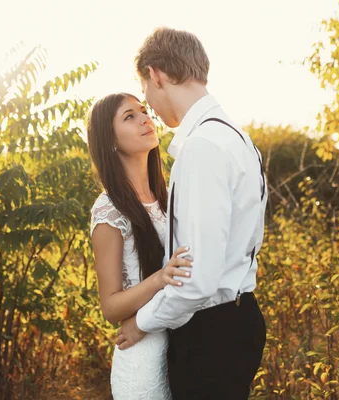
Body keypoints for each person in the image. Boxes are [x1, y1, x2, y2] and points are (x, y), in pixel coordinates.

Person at [116, 27, 268, 399]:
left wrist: (142, 324)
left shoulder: (202, 148)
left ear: (156, 75)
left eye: (146, 91)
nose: (149, 104)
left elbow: (199, 278)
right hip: (235, 318)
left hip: (211, 333)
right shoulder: (236, 136)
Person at [87, 92, 193, 399]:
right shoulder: (109, 209)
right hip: (142, 362)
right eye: (129, 117)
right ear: (110, 141)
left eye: (143, 111)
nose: (145, 119)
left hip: (184, 349)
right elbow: (110, 306)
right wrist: (160, 278)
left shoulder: (167, 198)